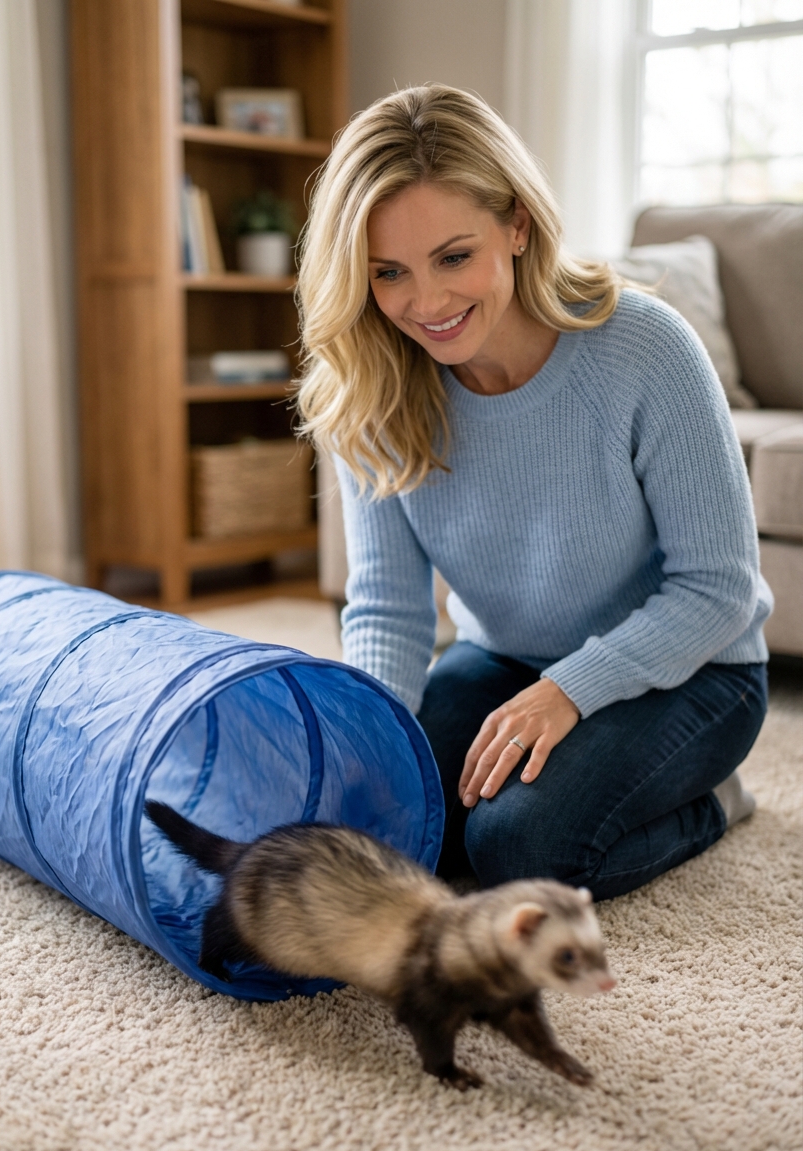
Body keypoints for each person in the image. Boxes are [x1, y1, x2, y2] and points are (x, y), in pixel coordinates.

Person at [295, 84, 771, 900]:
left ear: (516, 224)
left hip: (693, 673)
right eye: (389, 273)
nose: (429, 303)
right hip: (504, 659)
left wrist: (568, 693)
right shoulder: (371, 385)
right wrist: (368, 749)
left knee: (518, 847)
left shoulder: (645, 349)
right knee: (409, 830)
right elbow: (388, 610)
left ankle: (711, 805)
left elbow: (720, 591)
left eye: (454, 256)